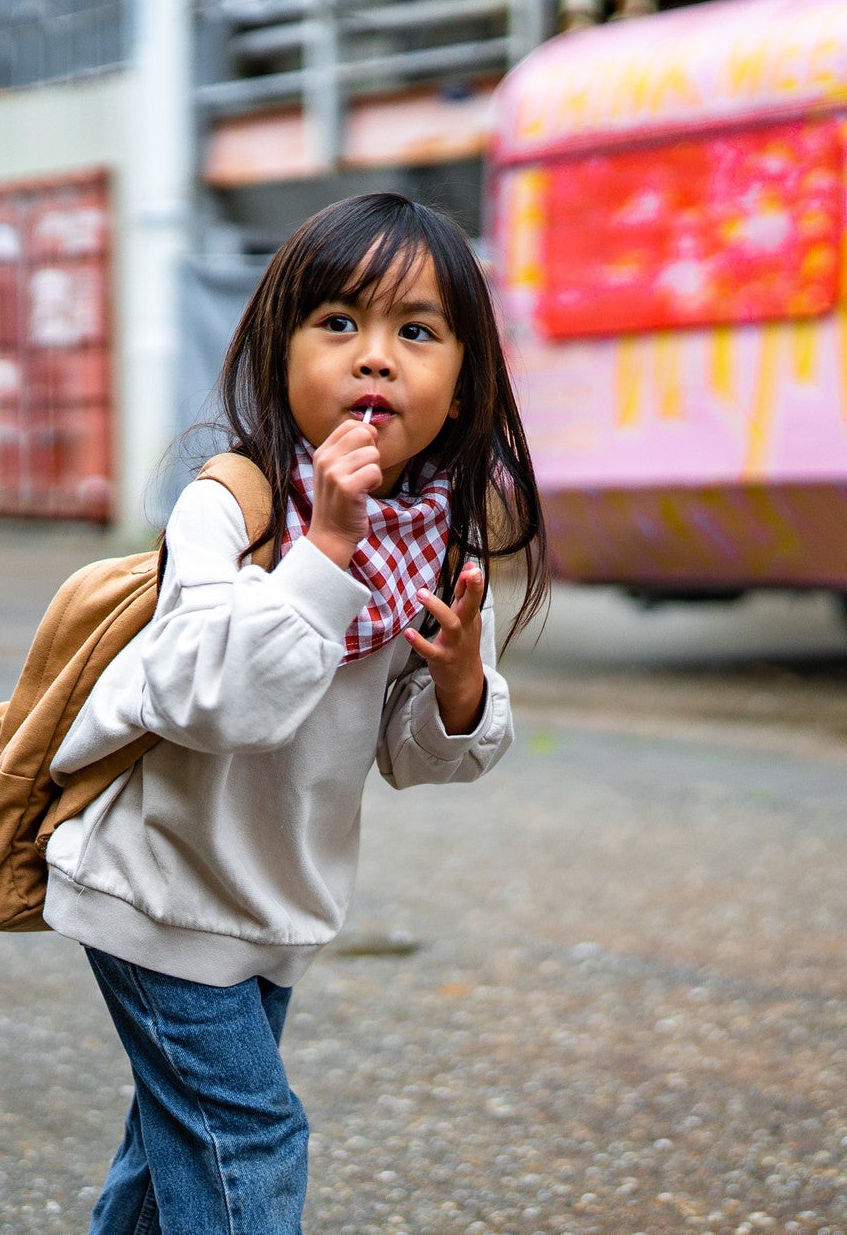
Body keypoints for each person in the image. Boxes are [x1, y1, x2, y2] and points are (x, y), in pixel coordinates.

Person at [43, 192, 549, 1235]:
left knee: (169, 1152)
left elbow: (418, 756)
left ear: (459, 389)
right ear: (280, 357)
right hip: (161, 887)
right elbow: (208, 699)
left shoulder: (437, 545)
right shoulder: (232, 504)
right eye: (337, 324)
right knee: (247, 1140)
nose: (374, 358)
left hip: (274, 901)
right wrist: (323, 550)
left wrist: (455, 685)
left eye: (414, 332)